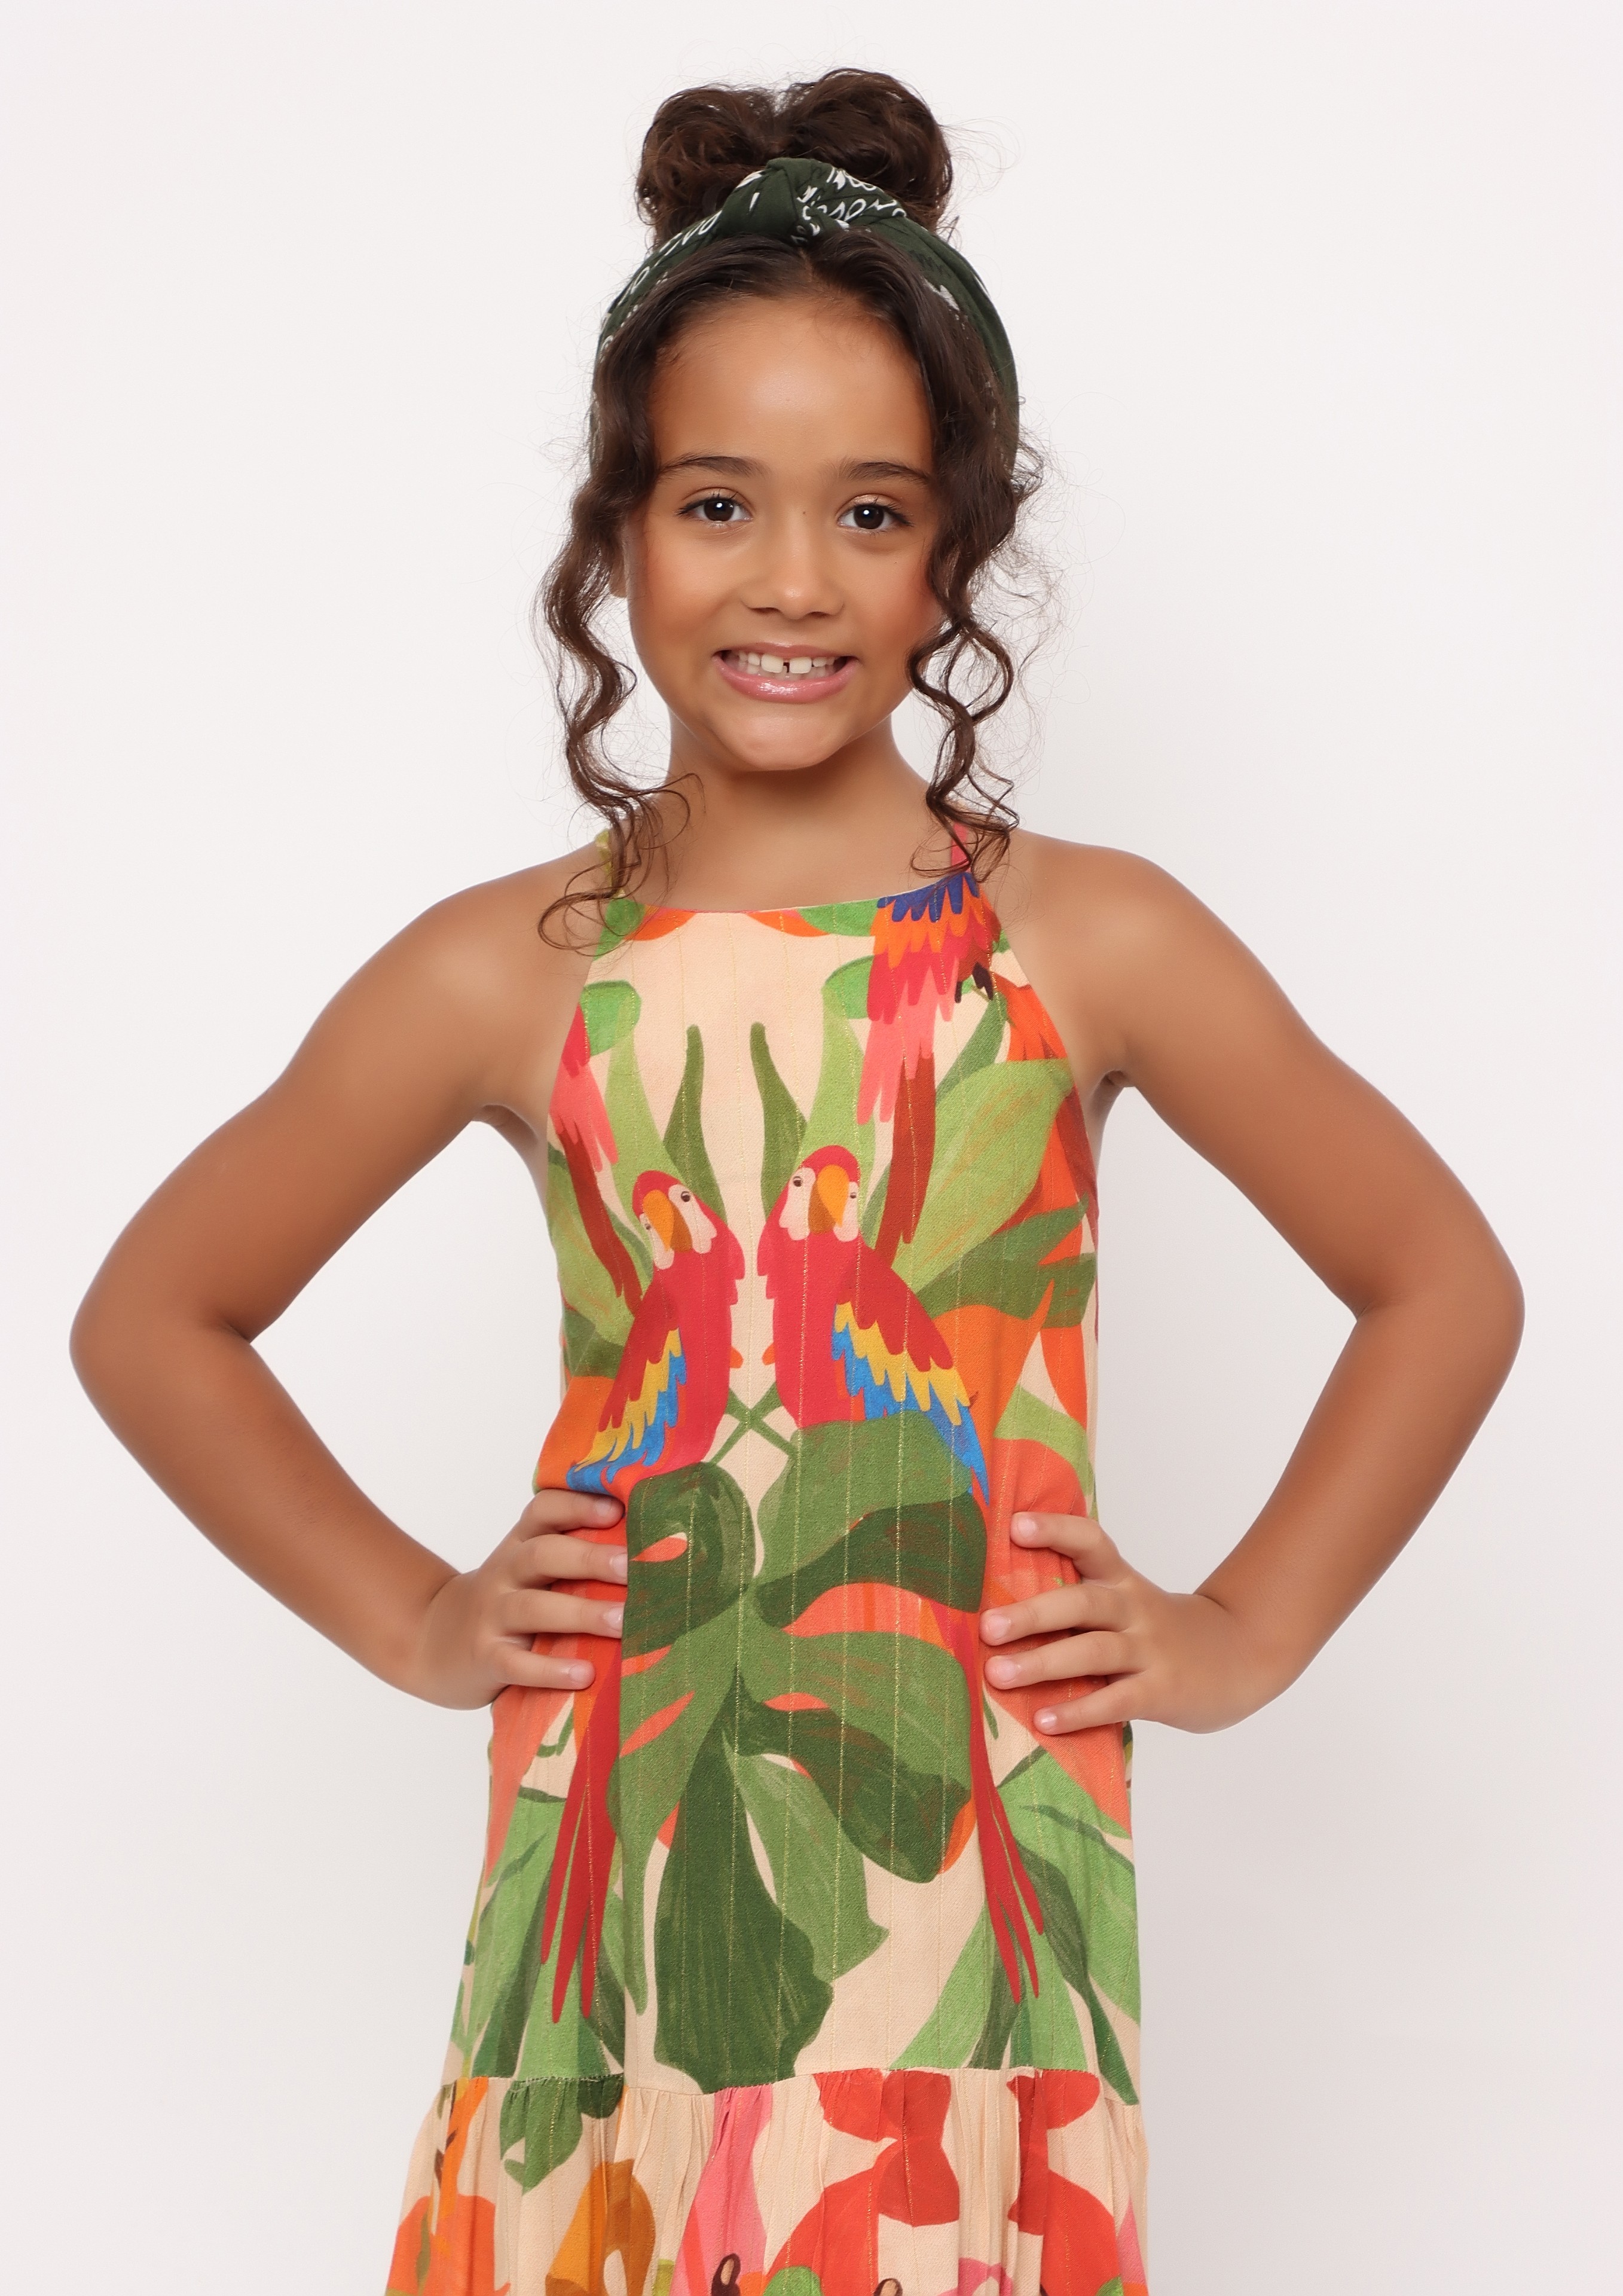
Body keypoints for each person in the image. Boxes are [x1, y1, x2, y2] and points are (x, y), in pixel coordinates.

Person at [70, 66, 1522, 2296]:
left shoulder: (1090, 940)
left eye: (868, 512)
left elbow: (1437, 1279)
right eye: (715, 502)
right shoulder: (507, 970)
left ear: (955, 551)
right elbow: (155, 1318)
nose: (787, 579)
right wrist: (416, 1616)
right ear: (614, 534)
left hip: (981, 1905)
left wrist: (1242, 1631)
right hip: (616, 1880)